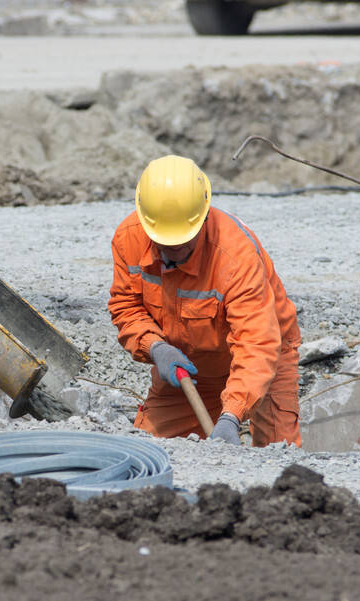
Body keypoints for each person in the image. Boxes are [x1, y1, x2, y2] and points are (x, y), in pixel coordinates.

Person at [108, 155, 302, 447]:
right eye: (164, 243)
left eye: (183, 242)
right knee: (150, 451)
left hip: (265, 356)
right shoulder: (128, 239)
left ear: (203, 217)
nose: (173, 250)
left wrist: (231, 416)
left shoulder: (235, 257)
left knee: (278, 455)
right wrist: (156, 347)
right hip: (189, 363)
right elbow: (126, 306)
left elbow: (256, 343)